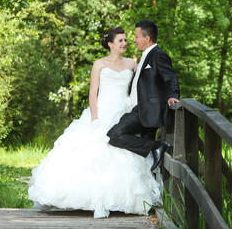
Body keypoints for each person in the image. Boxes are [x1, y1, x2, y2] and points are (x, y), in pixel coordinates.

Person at [28, 27, 163, 219]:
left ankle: (121, 199)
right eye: (120, 41)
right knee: (93, 151)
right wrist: (94, 117)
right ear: (110, 44)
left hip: (124, 110)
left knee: (121, 148)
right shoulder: (99, 64)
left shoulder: (132, 64)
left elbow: (141, 87)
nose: (125, 43)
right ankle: (90, 200)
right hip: (102, 110)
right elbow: (93, 93)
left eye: (126, 40)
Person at [107, 20, 180, 172]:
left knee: (114, 134)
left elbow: (170, 77)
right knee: (145, 162)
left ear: (147, 38)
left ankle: (158, 146)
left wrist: (173, 95)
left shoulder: (159, 55)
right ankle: (150, 192)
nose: (133, 40)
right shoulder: (145, 56)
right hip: (141, 109)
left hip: (147, 109)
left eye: (136, 36)